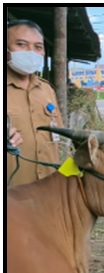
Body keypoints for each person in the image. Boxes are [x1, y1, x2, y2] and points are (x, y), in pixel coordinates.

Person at [6, 19, 64, 187]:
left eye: (38, 47)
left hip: (47, 192)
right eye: (22, 44)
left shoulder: (46, 90)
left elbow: (58, 137)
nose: (31, 52)